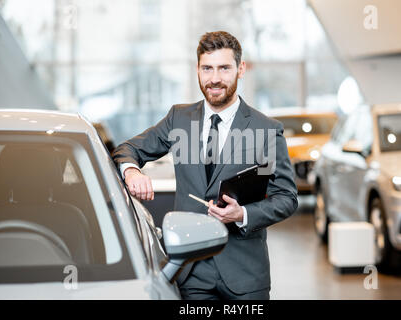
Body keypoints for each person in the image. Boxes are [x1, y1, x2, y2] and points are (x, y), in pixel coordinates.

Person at [112, 31, 298, 300]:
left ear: (240, 69)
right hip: (191, 270)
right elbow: (127, 149)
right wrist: (132, 171)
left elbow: (286, 198)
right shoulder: (179, 118)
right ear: (197, 70)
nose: (214, 79)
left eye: (224, 68)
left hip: (244, 276)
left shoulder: (265, 129)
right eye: (207, 68)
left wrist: (243, 214)